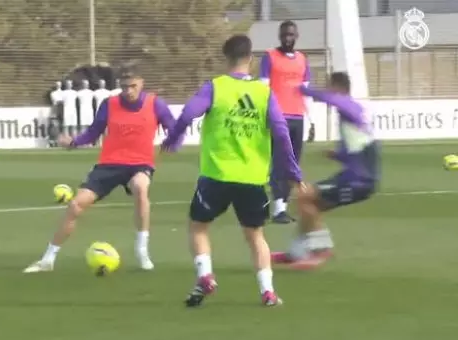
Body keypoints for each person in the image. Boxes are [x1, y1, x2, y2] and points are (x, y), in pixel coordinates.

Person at [161, 34, 303, 307]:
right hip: (252, 178)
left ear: (226, 58)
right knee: (255, 236)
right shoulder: (264, 93)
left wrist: (174, 138)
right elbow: (282, 133)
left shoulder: (216, 87)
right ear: (250, 59)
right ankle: (268, 292)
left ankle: (205, 275)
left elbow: (189, 113)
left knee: (199, 227)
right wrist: (293, 171)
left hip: (216, 175)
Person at [24, 65, 176, 273]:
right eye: (124, 87)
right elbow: (94, 132)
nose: (129, 91)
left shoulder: (155, 104)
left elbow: (173, 129)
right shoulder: (110, 104)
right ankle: (48, 259)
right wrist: (74, 142)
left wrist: (173, 144)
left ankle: (142, 250)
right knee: (75, 206)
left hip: (140, 164)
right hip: (109, 164)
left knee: (141, 187)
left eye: (133, 86)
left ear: (141, 84)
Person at [272, 72, 380, 269]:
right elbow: (361, 150)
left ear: (338, 88)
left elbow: (333, 99)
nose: (328, 91)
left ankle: (322, 250)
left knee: (305, 197)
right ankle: (295, 253)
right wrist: (337, 155)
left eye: (330, 87)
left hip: (357, 180)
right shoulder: (354, 112)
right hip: (357, 176)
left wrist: (302, 89)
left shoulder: (349, 106)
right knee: (309, 206)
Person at [260, 20, 313, 224]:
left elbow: (305, 92)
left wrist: (311, 119)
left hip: (297, 117)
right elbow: (263, 88)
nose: (287, 38)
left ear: (296, 36)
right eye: (284, 35)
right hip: (278, 117)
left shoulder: (302, 59)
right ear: (279, 36)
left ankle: (282, 206)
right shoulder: (270, 57)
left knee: (293, 163)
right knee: (280, 162)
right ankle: (278, 208)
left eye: (291, 35)